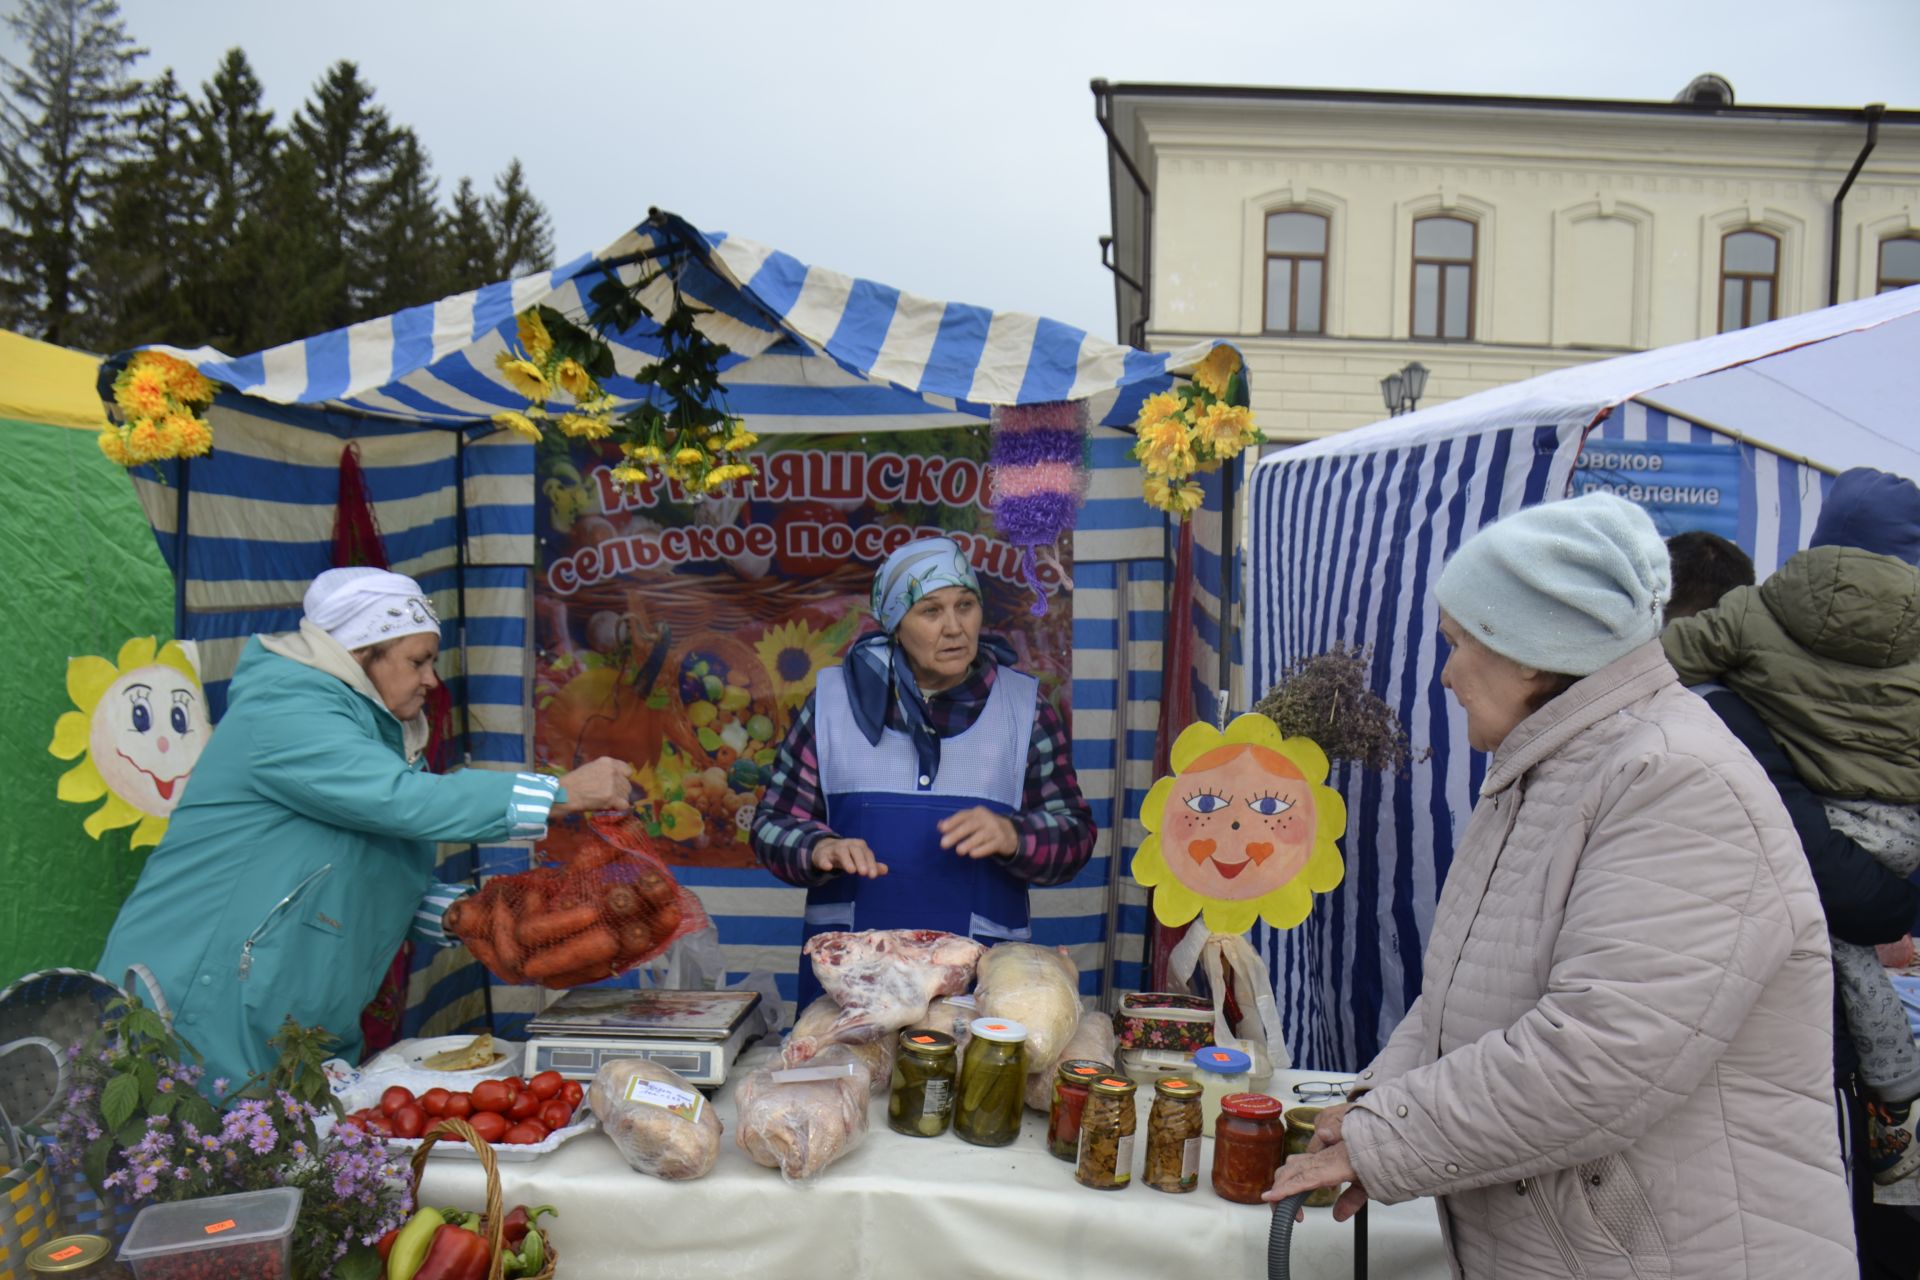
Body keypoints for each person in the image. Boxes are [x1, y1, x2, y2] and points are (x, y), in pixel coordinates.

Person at [1266, 492, 1855, 1276]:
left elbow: (1602, 1051)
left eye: (1458, 644)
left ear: (1533, 651)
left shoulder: (1674, 781)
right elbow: (1457, 1000)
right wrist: (1373, 1106)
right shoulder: (1554, 768)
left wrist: (1392, 1135)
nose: (1445, 675)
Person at [99, 568, 633, 1088]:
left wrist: (454, 914)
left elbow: (359, 859)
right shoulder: (284, 710)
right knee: (182, 1168)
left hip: (292, 1013)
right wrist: (560, 794)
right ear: (359, 655)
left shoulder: (369, 731)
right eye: (419, 661)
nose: (432, 679)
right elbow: (400, 802)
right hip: (202, 1000)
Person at [1662, 467, 1920, 1188]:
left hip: (1808, 844)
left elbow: (1660, 665)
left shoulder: (1757, 614)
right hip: (1893, 833)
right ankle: (1898, 1136)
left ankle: (1891, 1128)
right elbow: (1868, 900)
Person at [751, 536, 1096, 1010]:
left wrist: (1015, 835)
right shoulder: (833, 704)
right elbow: (772, 825)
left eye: (966, 605)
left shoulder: (1024, 709)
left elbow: (1076, 836)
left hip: (979, 997)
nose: (954, 628)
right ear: (895, 623)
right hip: (851, 992)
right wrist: (818, 847)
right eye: (930, 611)